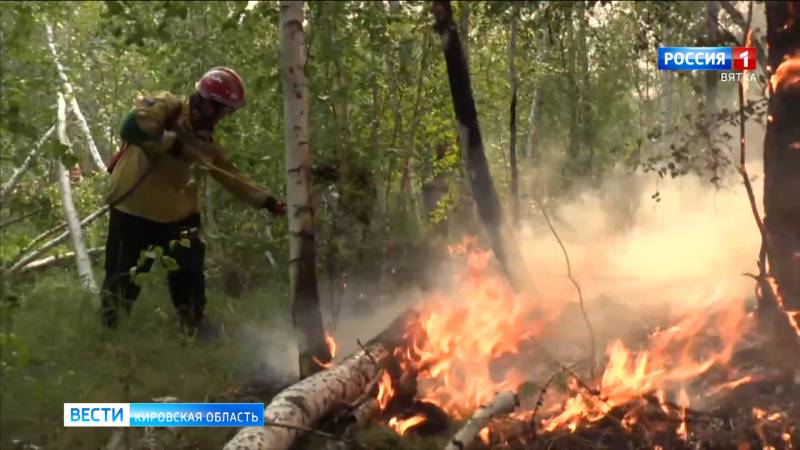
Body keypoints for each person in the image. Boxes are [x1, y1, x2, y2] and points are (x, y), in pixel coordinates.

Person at [101, 67, 285, 335]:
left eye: (227, 111)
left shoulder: (207, 146)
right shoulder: (166, 106)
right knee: (121, 281)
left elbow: (232, 177)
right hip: (133, 211)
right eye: (221, 109)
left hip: (178, 218)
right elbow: (130, 128)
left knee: (189, 276)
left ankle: (194, 328)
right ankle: (110, 334)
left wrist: (268, 202)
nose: (223, 116)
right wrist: (175, 145)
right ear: (205, 102)